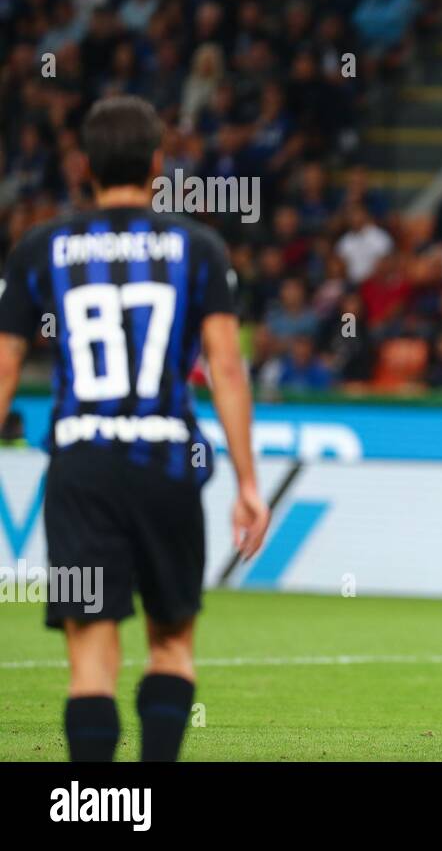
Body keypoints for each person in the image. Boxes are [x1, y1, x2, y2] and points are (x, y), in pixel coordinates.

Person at [0, 95, 270, 762]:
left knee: (90, 661)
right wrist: (248, 482)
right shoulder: (198, 248)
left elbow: (4, 364)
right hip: (167, 467)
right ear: (158, 163)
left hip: (80, 470)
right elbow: (227, 371)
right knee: (171, 646)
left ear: (83, 166)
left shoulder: (41, 247)